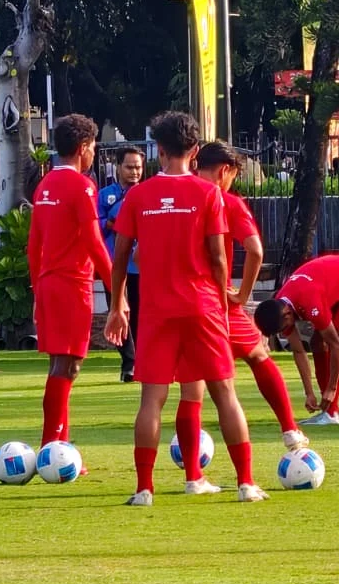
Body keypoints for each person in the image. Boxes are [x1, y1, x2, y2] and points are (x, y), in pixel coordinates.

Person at [104, 111, 267, 506]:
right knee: (224, 392)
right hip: (203, 305)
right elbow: (218, 256)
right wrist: (223, 299)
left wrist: (117, 305)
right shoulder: (209, 194)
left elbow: (121, 256)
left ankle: (144, 489)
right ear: (195, 151)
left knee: (151, 399)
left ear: (158, 149)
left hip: (157, 310)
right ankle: (246, 484)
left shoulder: (138, 196)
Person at [193, 141, 308, 450]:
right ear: (225, 171)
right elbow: (255, 251)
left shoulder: (178, 197)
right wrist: (243, 296)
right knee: (257, 355)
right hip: (215, 300)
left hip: (173, 300)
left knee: (186, 381)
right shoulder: (228, 203)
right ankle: (289, 429)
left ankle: (189, 463)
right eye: (234, 176)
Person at [27, 114, 113, 448]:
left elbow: (34, 245)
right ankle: (51, 447)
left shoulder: (45, 185)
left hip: (48, 283)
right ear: (83, 147)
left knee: (58, 366)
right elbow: (94, 242)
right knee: (68, 367)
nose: (94, 153)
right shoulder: (83, 186)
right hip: (72, 285)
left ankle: (60, 447)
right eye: (93, 147)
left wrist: (37, 290)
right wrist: (117, 288)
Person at [253, 254, 339, 426]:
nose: (285, 332)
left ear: (288, 314)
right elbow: (298, 351)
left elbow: (335, 345)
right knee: (316, 343)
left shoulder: (310, 302)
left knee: (335, 341)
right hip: (330, 284)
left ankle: (332, 413)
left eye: (284, 328)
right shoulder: (280, 308)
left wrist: (331, 389)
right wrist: (309, 393)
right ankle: (330, 412)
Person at [97, 146, 144, 382]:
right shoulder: (105, 195)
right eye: (129, 167)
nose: (134, 172)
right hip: (114, 265)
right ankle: (129, 363)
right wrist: (114, 220)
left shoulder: (148, 193)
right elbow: (97, 225)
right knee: (119, 312)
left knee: (140, 313)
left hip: (141, 266)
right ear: (118, 167)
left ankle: (143, 361)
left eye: (138, 167)